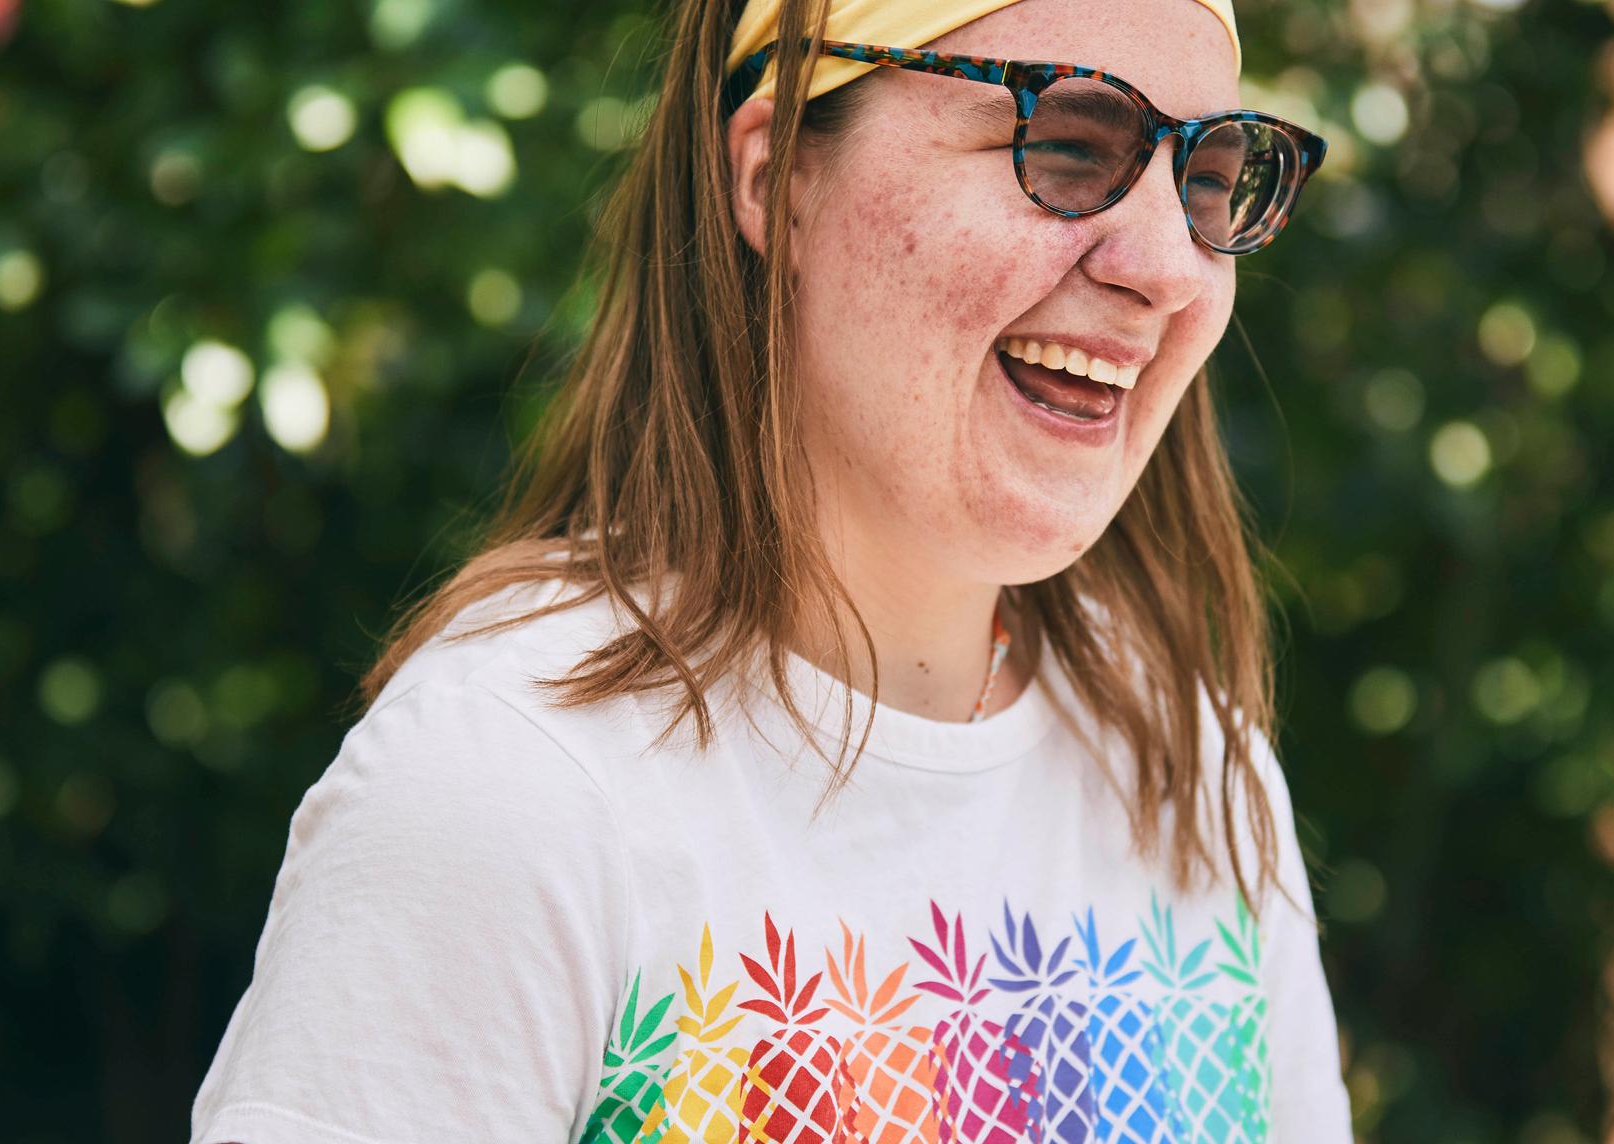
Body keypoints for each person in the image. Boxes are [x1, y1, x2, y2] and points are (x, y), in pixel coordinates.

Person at [191, 0, 1351, 1137]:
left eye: (1206, 180)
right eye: (1064, 145)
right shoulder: (514, 788)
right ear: (775, 179)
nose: (1170, 269)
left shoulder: (1186, 761)